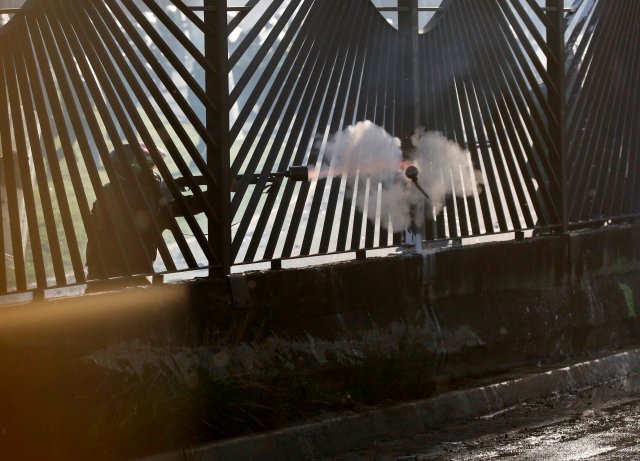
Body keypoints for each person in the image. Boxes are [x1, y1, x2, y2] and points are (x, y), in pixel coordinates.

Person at [85, 143, 201, 281]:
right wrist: (160, 196)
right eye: (143, 167)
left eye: (150, 166)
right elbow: (137, 226)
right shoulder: (111, 195)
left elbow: (182, 207)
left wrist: (214, 196)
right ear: (125, 169)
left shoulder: (145, 196)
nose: (149, 172)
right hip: (109, 275)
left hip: (135, 272)